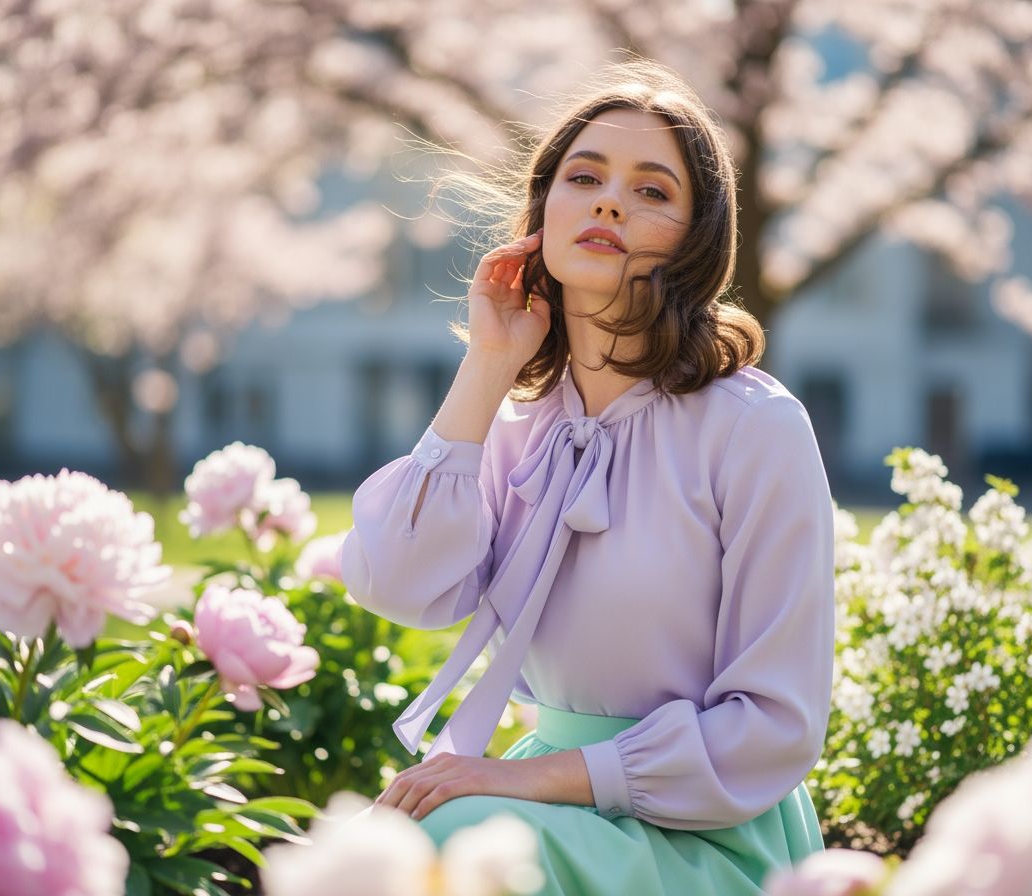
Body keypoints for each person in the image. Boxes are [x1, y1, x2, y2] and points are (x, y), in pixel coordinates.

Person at [340, 60, 835, 895]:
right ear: (544, 212)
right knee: (374, 854)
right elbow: (395, 583)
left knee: (439, 850)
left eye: (652, 190)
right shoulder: (517, 423)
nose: (609, 202)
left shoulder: (756, 428)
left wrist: (525, 777)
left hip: (708, 831)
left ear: (696, 237)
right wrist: (489, 366)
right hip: (551, 803)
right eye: (585, 177)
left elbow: (774, 728)